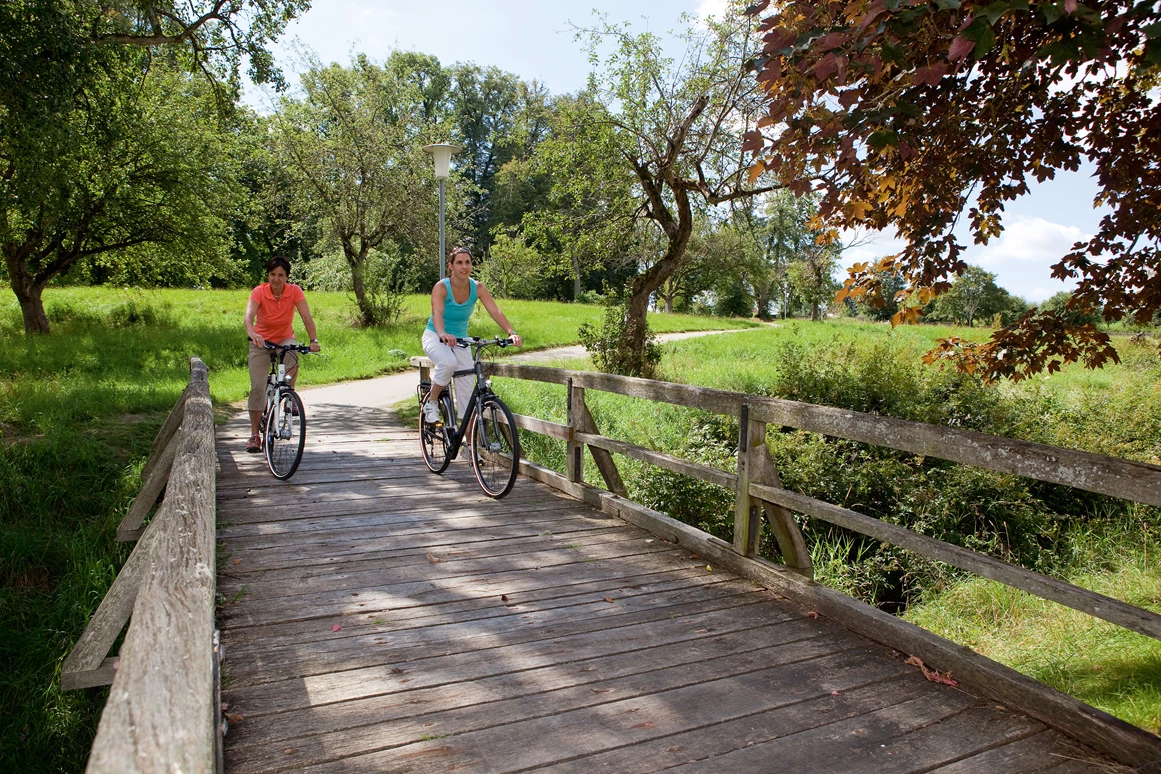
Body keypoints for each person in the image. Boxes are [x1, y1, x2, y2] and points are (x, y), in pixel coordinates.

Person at [422, 247, 522, 424]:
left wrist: (511, 332)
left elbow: (495, 311)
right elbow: (437, 313)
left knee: (467, 388)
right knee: (448, 363)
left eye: (467, 262)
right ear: (451, 265)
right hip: (435, 335)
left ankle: (468, 443)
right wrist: (443, 333)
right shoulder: (441, 287)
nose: (464, 266)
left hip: (461, 340)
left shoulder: (478, 288)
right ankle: (431, 402)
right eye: (459, 262)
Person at [244, 256, 321, 453]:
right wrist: (252, 334)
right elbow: (249, 315)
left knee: (293, 356)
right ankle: (255, 435)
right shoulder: (259, 291)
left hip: (284, 337)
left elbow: (306, 316)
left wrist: (313, 340)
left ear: (287, 277)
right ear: (268, 275)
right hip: (261, 341)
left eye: (280, 275)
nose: (276, 279)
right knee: (258, 388)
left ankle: (288, 397)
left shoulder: (294, 291)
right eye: (272, 274)